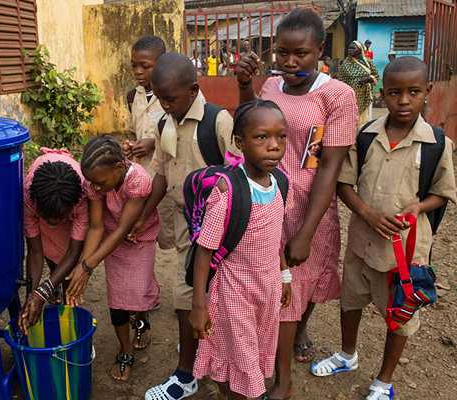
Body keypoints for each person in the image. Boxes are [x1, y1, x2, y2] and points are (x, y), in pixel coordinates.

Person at [311, 56, 456, 400]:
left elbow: (442, 192)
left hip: (404, 253)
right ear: (381, 93)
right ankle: (348, 355)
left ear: (428, 92)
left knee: (400, 315)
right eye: (394, 93)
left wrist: (418, 206)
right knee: (351, 301)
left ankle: (384, 381)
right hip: (362, 242)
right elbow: (344, 184)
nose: (403, 100)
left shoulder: (437, 142)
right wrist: (367, 213)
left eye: (413, 92)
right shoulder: (364, 136)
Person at [236, 8, 358, 399]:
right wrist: (245, 87)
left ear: (320, 50)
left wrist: (306, 231)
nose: (290, 62)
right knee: (276, 282)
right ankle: (284, 342)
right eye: (283, 53)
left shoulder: (337, 95)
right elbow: (251, 122)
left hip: (310, 206)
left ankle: (282, 380)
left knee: (298, 280)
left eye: (300, 54)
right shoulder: (271, 86)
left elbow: (331, 167)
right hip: (267, 200)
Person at [135, 52, 238, 400]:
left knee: (219, 297)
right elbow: (163, 174)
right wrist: (144, 213)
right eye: (160, 98)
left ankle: (222, 365)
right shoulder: (166, 123)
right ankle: (187, 373)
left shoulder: (218, 122)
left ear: (194, 89)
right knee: (185, 295)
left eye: (171, 98)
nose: (164, 105)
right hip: (185, 225)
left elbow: (239, 174)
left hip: (220, 229)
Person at [190, 99, 292, 399]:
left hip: (268, 289)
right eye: (261, 137)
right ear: (239, 142)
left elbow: (277, 238)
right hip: (235, 292)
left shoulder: (280, 184)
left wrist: (284, 275)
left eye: (281, 136)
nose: (273, 146)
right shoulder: (227, 192)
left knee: (254, 350)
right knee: (239, 358)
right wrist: (199, 304)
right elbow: (204, 250)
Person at [66, 136, 160, 382]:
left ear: (119, 168)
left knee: (138, 292)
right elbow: (97, 227)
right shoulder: (94, 182)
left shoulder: (138, 180)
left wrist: (87, 266)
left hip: (139, 238)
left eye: (100, 183)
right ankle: (125, 350)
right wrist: (82, 268)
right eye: (92, 184)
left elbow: (123, 230)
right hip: (111, 239)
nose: (95, 188)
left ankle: (142, 321)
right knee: (117, 297)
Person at [17, 148, 88, 335]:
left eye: (58, 217)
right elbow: (35, 251)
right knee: (49, 250)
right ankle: (50, 290)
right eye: (48, 217)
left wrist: (43, 291)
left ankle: (61, 297)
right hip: (47, 205)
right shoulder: (29, 196)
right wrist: (31, 296)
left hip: (66, 211)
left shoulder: (81, 196)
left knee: (67, 269)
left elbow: (74, 252)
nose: (53, 223)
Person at [125, 35, 176, 250]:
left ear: (161, 64)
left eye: (145, 66)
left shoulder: (174, 94)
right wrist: (130, 145)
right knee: (141, 229)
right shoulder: (132, 96)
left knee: (168, 235)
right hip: (141, 174)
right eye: (134, 65)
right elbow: (133, 129)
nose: (138, 71)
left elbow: (181, 132)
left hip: (165, 175)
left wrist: (153, 143)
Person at [336, 40, 379, 125]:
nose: (350, 50)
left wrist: (367, 79)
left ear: (360, 49)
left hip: (364, 95)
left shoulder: (368, 62)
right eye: (349, 48)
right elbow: (340, 79)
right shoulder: (345, 63)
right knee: (350, 120)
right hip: (349, 97)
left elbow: (376, 75)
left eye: (353, 48)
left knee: (363, 121)